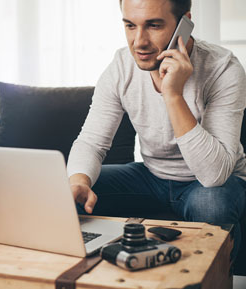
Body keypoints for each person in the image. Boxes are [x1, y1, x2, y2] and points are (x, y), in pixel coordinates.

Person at [67, 0, 246, 261]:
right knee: (66, 191)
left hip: (212, 183)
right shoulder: (121, 66)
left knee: (211, 203)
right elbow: (92, 142)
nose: (139, 42)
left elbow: (213, 175)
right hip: (150, 177)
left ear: (185, 22)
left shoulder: (223, 68)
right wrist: (79, 181)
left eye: (153, 25)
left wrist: (172, 95)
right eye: (130, 25)